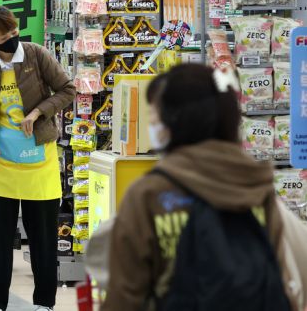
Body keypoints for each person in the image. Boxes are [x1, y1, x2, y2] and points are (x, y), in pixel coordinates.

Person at [102, 64, 307, 311]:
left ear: (174, 124)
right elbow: (289, 275)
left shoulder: (149, 194)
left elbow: (125, 296)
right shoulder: (256, 187)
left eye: (154, 117)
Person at [0, 5, 77, 311]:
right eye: (5, 35)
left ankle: (44, 303)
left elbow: (67, 89)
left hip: (38, 162)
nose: (12, 39)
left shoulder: (36, 55)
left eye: (15, 32)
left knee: (43, 240)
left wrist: (38, 111)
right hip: (0, 165)